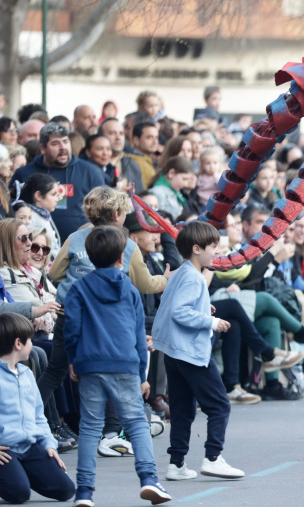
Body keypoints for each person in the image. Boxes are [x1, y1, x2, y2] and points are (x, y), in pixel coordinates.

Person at [38, 187, 168, 459]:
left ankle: (27, 417)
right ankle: (113, 433)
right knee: (109, 369)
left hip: (69, 314)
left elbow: (54, 272)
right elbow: (144, 284)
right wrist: (167, 278)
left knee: (56, 372)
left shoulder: (75, 237)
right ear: (118, 214)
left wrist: (78, 281)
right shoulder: (126, 245)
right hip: (107, 318)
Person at [63, 226, 173, 506]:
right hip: (124, 364)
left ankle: (85, 492)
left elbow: (71, 329)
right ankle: (149, 479)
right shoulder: (130, 290)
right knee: (136, 423)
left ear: (90, 255)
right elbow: (138, 335)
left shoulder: (78, 288)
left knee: (90, 427)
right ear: (121, 258)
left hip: (89, 362)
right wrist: (141, 375)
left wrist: (74, 359)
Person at [151, 221, 244, 481]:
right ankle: (213, 457)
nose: (216, 252)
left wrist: (204, 308)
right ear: (196, 248)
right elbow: (181, 312)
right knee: (219, 405)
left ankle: (176, 463)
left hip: (173, 352)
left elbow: (175, 305)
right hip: (190, 351)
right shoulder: (194, 277)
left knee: (182, 409)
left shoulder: (183, 272)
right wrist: (212, 321)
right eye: (212, 247)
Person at [0, 313, 76, 505]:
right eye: (30, 340)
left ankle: (19, 472)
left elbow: (38, 416)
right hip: (6, 449)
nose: (32, 344)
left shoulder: (26, 374)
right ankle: (14, 475)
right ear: (18, 344)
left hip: (30, 446)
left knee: (66, 490)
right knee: (19, 494)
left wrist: (49, 445)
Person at [12, 123, 105, 242]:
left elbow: (103, 212)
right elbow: (12, 212)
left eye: (65, 141)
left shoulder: (90, 172)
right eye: (55, 143)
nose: (62, 147)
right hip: (36, 249)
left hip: (83, 245)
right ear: (43, 148)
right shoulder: (24, 173)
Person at [19, 173, 61, 258]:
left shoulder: (44, 215)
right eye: (53, 194)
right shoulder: (30, 217)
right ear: (38, 195)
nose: (58, 198)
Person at [99, 118, 145, 192]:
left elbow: (141, 196)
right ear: (100, 137)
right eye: (112, 133)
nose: (118, 138)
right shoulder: (92, 166)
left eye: (121, 133)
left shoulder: (133, 165)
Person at [149, 157, 194, 221]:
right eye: (184, 179)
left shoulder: (176, 191)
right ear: (171, 173)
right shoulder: (157, 192)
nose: (185, 184)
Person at [126, 121, 160, 188]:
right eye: (149, 137)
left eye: (156, 138)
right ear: (136, 141)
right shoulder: (131, 162)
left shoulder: (149, 160)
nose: (155, 142)